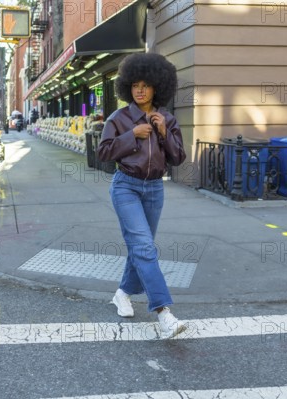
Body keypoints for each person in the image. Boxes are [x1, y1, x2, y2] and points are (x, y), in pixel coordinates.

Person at [97, 53, 187, 339]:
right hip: (126, 186)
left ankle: (123, 293)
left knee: (141, 246)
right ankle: (164, 313)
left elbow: (177, 158)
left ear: (157, 87)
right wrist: (131, 135)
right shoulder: (119, 118)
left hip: (154, 189)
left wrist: (163, 132)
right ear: (127, 87)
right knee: (145, 247)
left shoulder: (168, 119)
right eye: (135, 85)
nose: (140, 90)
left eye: (146, 85)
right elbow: (102, 153)